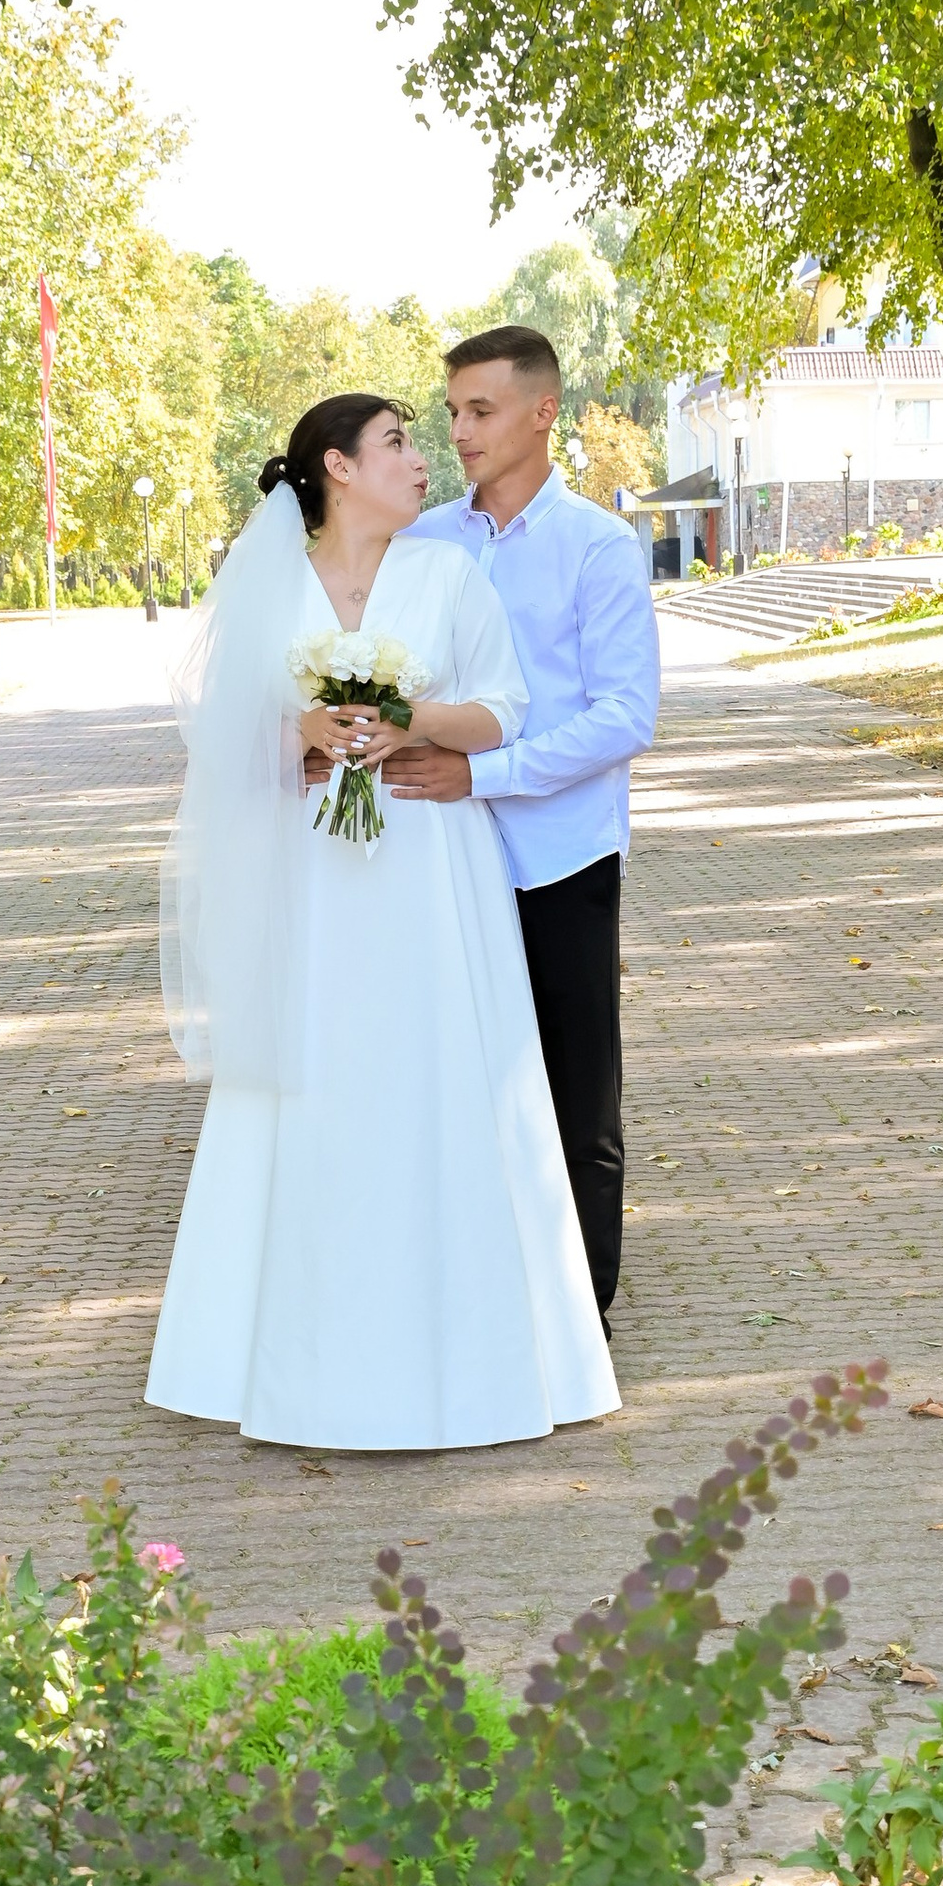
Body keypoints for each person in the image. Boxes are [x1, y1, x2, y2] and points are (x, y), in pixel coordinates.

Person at [145, 391, 619, 1452]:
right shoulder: (267, 583)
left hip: (428, 861)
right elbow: (224, 751)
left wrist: (403, 716)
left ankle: (472, 1357)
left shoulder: (449, 573)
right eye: (397, 443)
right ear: (337, 466)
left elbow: (503, 709)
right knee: (321, 1084)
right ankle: (294, 1362)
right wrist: (297, 727)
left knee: (440, 1076)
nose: (422, 460)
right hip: (313, 883)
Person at [388, 326, 660, 1331]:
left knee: (576, 1092)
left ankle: (580, 1313)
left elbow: (622, 715)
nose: (457, 431)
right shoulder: (426, 544)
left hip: (559, 856)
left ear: (541, 413)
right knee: (455, 1077)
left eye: (479, 410)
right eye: (451, 411)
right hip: (438, 857)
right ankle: (475, 1291)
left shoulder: (597, 545)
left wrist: (482, 774)